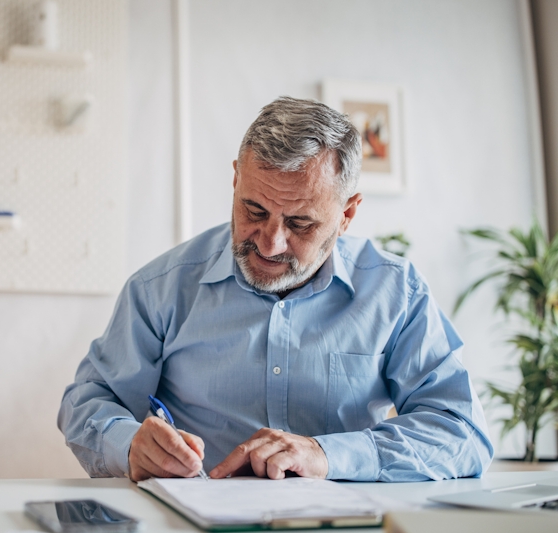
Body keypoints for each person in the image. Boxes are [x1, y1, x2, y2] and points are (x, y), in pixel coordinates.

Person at [58, 96, 493, 482]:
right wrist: (131, 443)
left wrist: (327, 454)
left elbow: (461, 429)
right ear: (235, 182)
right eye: (254, 209)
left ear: (347, 214)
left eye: (300, 223)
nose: (270, 242)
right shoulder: (161, 288)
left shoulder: (396, 292)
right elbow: (88, 401)